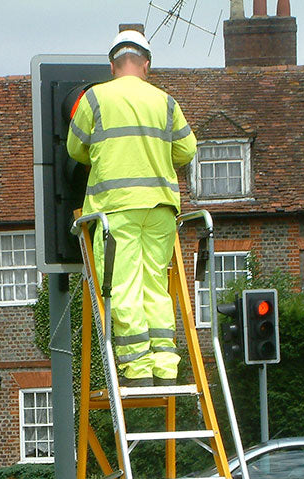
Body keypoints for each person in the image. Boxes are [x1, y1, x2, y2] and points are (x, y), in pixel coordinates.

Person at [67, 28, 198, 387]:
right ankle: (166, 366)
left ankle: (138, 370)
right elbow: (187, 151)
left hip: (116, 209)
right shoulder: (166, 102)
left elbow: (75, 149)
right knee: (155, 285)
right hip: (161, 209)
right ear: (147, 65)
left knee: (122, 286)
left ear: (112, 66)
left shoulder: (95, 99)